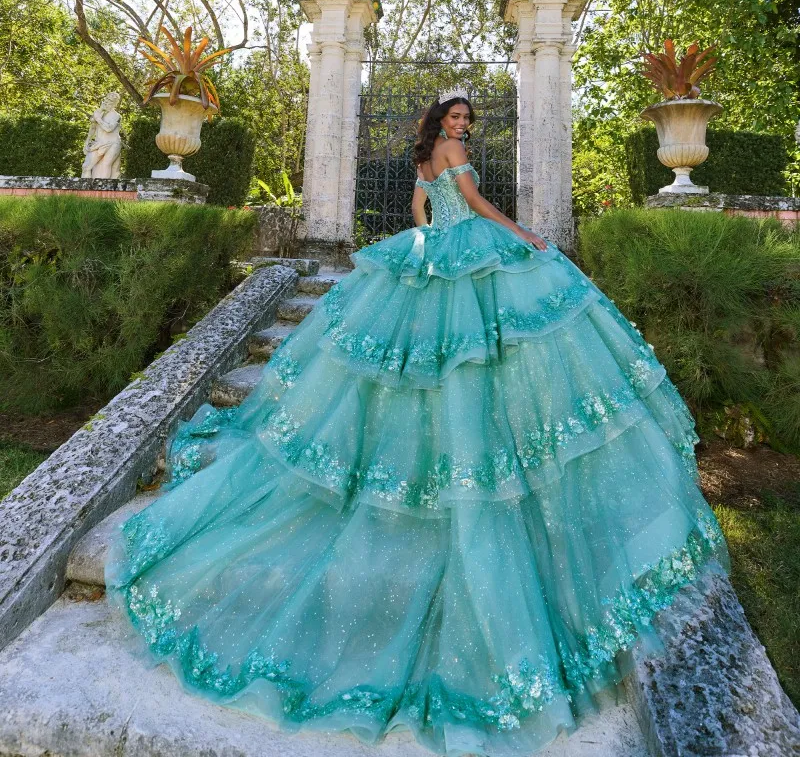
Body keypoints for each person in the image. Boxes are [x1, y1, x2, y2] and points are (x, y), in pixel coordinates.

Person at [105, 88, 730, 757]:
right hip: (472, 247)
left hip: (433, 250)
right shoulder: (454, 155)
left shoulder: (425, 157)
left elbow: (416, 210)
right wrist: (519, 234)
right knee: (486, 355)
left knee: (425, 368)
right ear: (442, 126)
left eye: (465, 121)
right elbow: (480, 207)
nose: (461, 128)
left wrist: (433, 234)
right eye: (455, 120)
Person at [81, 91, 122, 179]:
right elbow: (92, 128)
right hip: (99, 142)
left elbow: (108, 129)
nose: (107, 102)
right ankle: (86, 190)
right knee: (86, 166)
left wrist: (98, 119)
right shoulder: (98, 113)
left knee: (105, 165)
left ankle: (102, 188)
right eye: (107, 99)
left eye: (110, 101)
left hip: (112, 143)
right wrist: (87, 141)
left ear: (114, 104)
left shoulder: (116, 116)